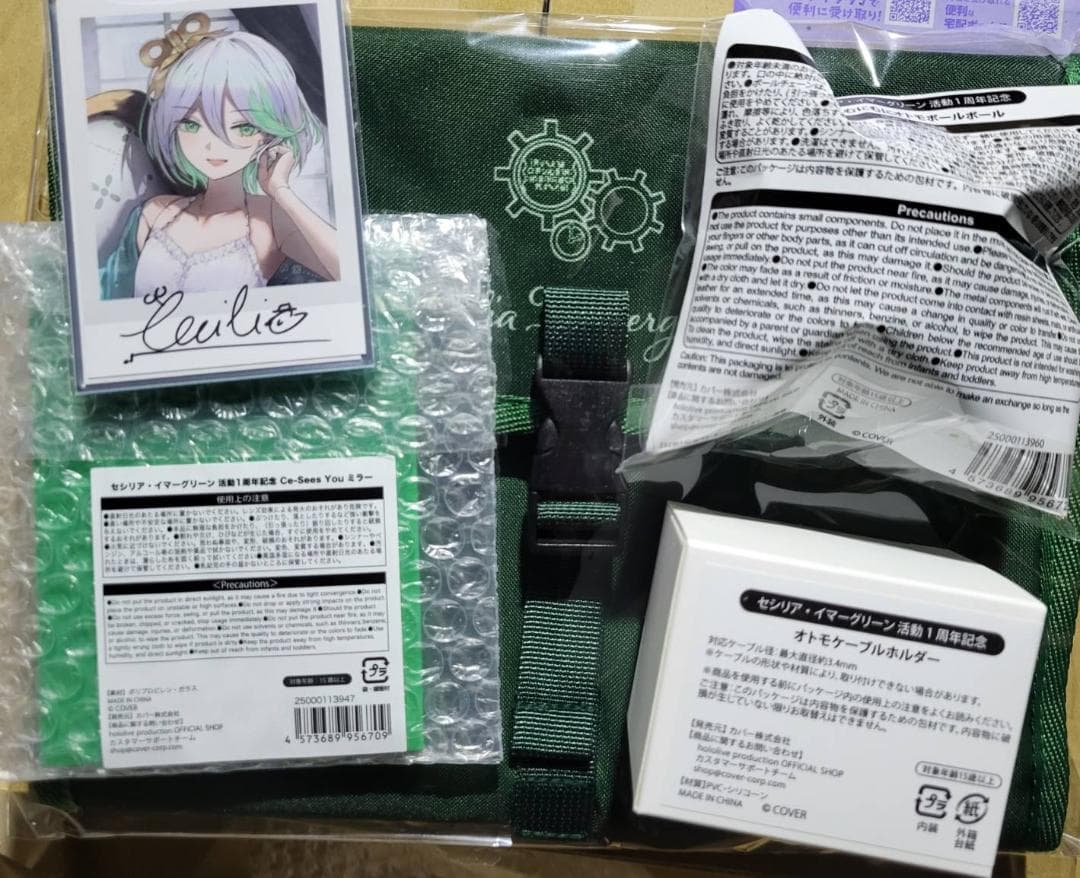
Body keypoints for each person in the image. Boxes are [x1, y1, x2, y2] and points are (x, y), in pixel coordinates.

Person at [99, 13, 337, 300]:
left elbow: (351, 271)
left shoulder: (269, 219)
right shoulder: (155, 213)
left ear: (268, 134)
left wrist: (280, 190)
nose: (212, 145)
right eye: (191, 125)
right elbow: (108, 296)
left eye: (243, 127)